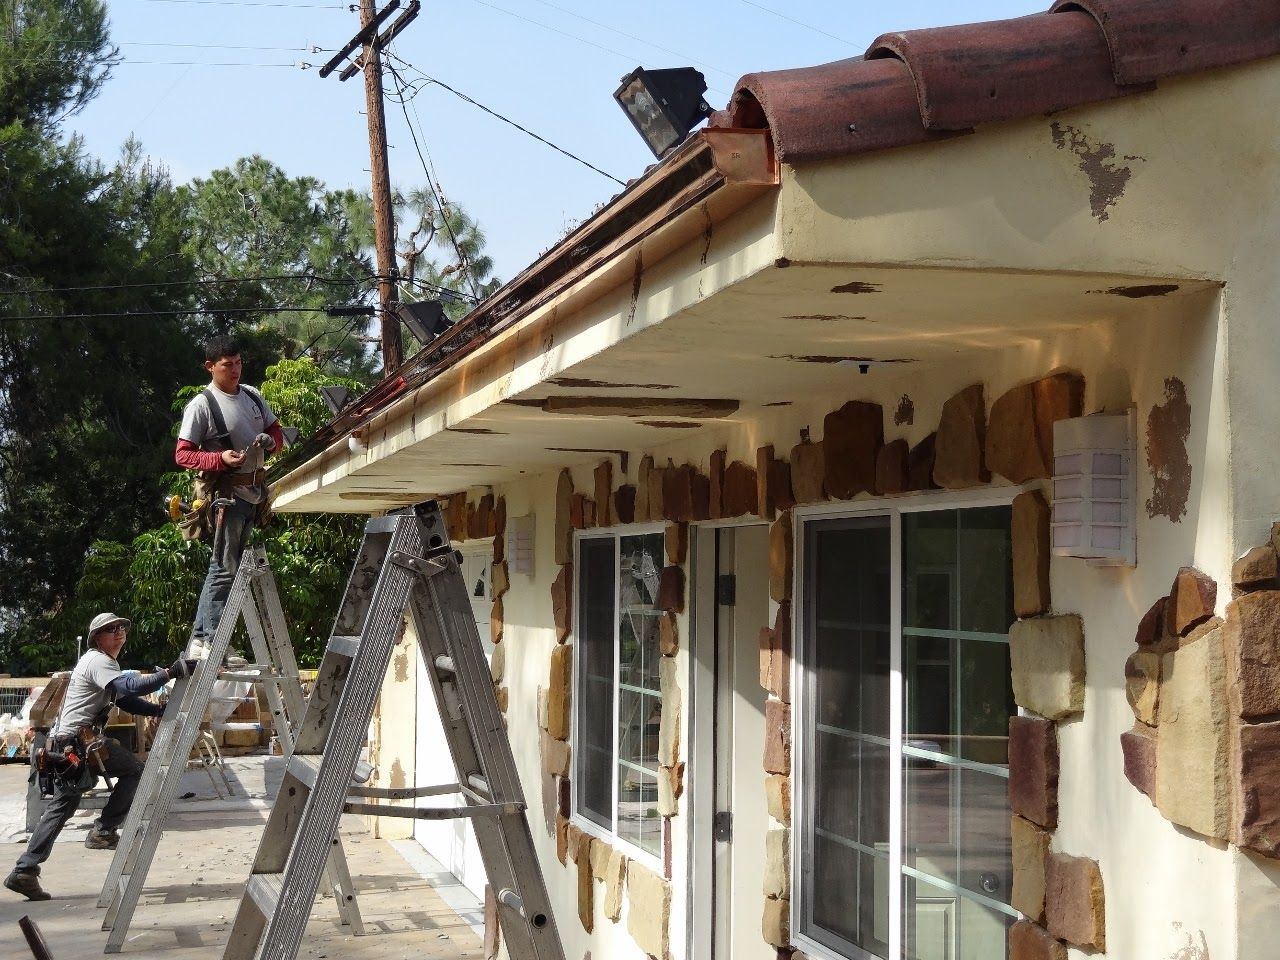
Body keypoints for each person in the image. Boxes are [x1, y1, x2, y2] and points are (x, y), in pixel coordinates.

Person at [4, 614, 198, 901]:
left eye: (121, 628)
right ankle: (103, 830)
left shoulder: (102, 663)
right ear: (97, 637)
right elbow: (126, 689)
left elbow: (126, 699)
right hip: (75, 746)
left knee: (61, 809)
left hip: (71, 745)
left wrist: (155, 710)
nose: (119, 632)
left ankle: (25, 870)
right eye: (110, 630)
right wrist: (169, 673)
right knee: (135, 771)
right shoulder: (98, 660)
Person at [176, 335, 285, 655]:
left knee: (235, 568)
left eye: (238, 363)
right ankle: (205, 639)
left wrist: (270, 442)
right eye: (227, 365)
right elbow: (183, 455)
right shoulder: (202, 405)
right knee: (224, 567)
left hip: (255, 493)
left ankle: (211, 637)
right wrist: (218, 459)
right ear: (210, 367)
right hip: (226, 497)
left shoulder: (252, 395)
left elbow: (276, 430)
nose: (235, 370)